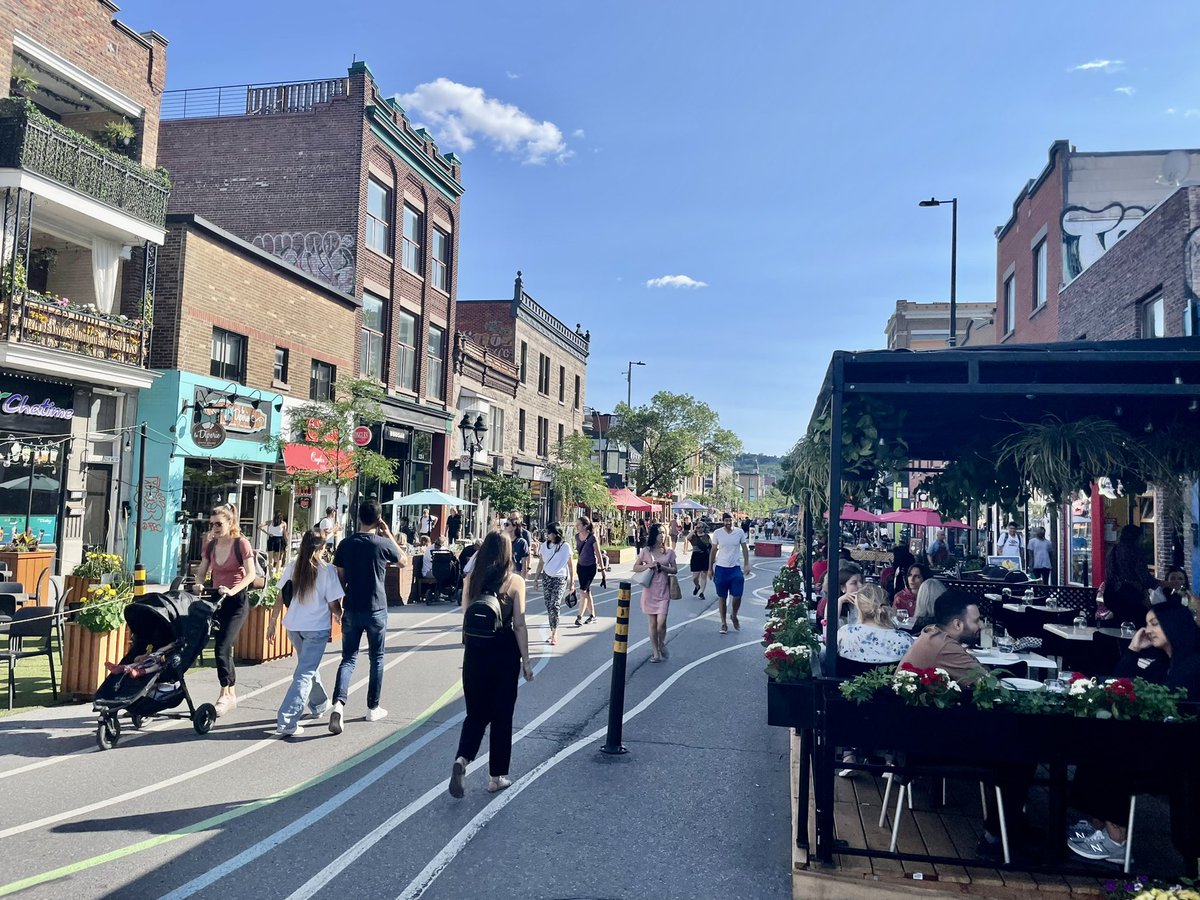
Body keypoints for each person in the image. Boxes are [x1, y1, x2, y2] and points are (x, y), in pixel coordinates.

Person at [1068, 604, 1200, 863]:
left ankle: (1116, 840)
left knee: (1115, 751)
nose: (1148, 630)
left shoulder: (1194, 666)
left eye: (1154, 624)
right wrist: (1132, 650)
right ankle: (1100, 825)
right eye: (1147, 623)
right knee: (1098, 742)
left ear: (1174, 625)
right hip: (1159, 744)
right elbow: (1121, 685)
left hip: (1184, 756)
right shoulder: (1162, 664)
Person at [448, 530, 535, 798]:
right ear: (509, 553)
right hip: (504, 651)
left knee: (475, 713)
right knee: (501, 716)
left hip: (475, 652)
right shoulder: (514, 581)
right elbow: (519, 624)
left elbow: (465, 614)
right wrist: (527, 661)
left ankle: (462, 759)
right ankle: (496, 777)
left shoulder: (472, 579)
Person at [329, 500, 401, 733]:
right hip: (377, 607)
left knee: (348, 659)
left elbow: (339, 578)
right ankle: (373, 707)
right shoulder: (381, 544)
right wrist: (388, 533)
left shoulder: (346, 544)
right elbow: (404, 560)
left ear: (358, 517)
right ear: (379, 519)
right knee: (376, 658)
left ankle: (338, 705)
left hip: (352, 605)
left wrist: (338, 607)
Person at [268, 529, 344, 736]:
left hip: (294, 626)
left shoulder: (293, 566)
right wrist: (340, 616)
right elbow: (333, 603)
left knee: (307, 667)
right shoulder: (326, 570)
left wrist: (272, 622)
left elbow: (280, 595)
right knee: (305, 672)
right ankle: (287, 720)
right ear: (320, 548)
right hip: (316, 628)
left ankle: (319, 703)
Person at [194, 505, 258, 717]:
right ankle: (230, 692)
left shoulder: (241, 544)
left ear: (230, 524)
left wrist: (232, 590)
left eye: (219, 524)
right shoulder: (210, 546)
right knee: (218, 645)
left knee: (222, 645)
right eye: (212, 524)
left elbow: (250, 575)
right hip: (217, 599)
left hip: (236, 600)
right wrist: (199, 584)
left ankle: (225, 693)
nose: (215, 528)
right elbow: (201, 572)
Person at [898, 588, 984, 687]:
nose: (981, 625)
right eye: (976, 621)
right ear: (957, 624)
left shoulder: (934, 633)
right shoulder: (944, 646)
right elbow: (987, 681)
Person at [633, 522, 677, 662]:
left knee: (661, 623)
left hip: (663, 590)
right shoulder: (646, 551)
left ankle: (661, 643)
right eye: (659, 533)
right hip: (649, 590)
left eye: (664, 533)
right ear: (654, 535)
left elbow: (674, 570)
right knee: (652, 623)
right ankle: (655, 652)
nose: (662, 536)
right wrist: (649, 565)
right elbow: (636, 567)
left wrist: (662, 567)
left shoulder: (670, 552)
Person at [836, 584, 914, 664]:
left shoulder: (845, 633)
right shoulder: (905, 640)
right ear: (887, 604)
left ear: (859, 608)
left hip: (848, 676)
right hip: (889, 676)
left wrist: (839, 601)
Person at [1102, 524, 1158, 626]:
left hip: (1111, 595)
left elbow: (1109, 574)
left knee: (1119, 624)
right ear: (1137, 537)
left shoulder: (1113, 550)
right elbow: (1146, 579)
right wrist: (1166, 584)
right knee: (1139, 623)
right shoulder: (1135, 552)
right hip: (1130, 597)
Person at [709, 512, 751, 634]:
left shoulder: (739, 532)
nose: (728, 523)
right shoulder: (718, 533)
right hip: (721, 568)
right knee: (722, 597)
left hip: (735, 568)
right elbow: (713, 550)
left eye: (730, 520)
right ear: (723, 521)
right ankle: (723, 623)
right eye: (726, 521)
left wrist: (746, 564)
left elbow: (744, 548)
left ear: (734, 520)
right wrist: (710, 568)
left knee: (737, 595)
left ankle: (734, 614)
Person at [533, 522, 574, 646]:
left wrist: (572, 583)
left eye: (549, 532)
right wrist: (536, 579)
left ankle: (554, 633)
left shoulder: (565, 547)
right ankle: (552, 630)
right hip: (547, 577)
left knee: (555, 604)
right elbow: (541, 563)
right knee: (548, 605)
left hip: (560, 578)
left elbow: (571, 566)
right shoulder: (544, 546)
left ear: (556, 533)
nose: (547, 535)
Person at [573, 517, 601, 627]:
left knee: (583, 591)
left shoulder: (592, 538)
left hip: (590, 567)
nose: (577, 526)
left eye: (579, 524)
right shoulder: (576, 537)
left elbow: (598, 553)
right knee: (587, 591)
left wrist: (602, 570)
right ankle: (592, 615)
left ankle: (579, 616)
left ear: (585, 526)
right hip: (580, 566)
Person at [688, 524, 712, 600]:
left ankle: (702, 592)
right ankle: (697, 586)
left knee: (704, 575)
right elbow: (688, 538)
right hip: (696, 556)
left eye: (700, 527)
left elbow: (711, 547)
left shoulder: (707, 536)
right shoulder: (693, 536)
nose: (699, 528)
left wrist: (712, 558)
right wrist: (694, 530)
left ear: (703, 528)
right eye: (697, 527)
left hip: (705, 556)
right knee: (695, 577)